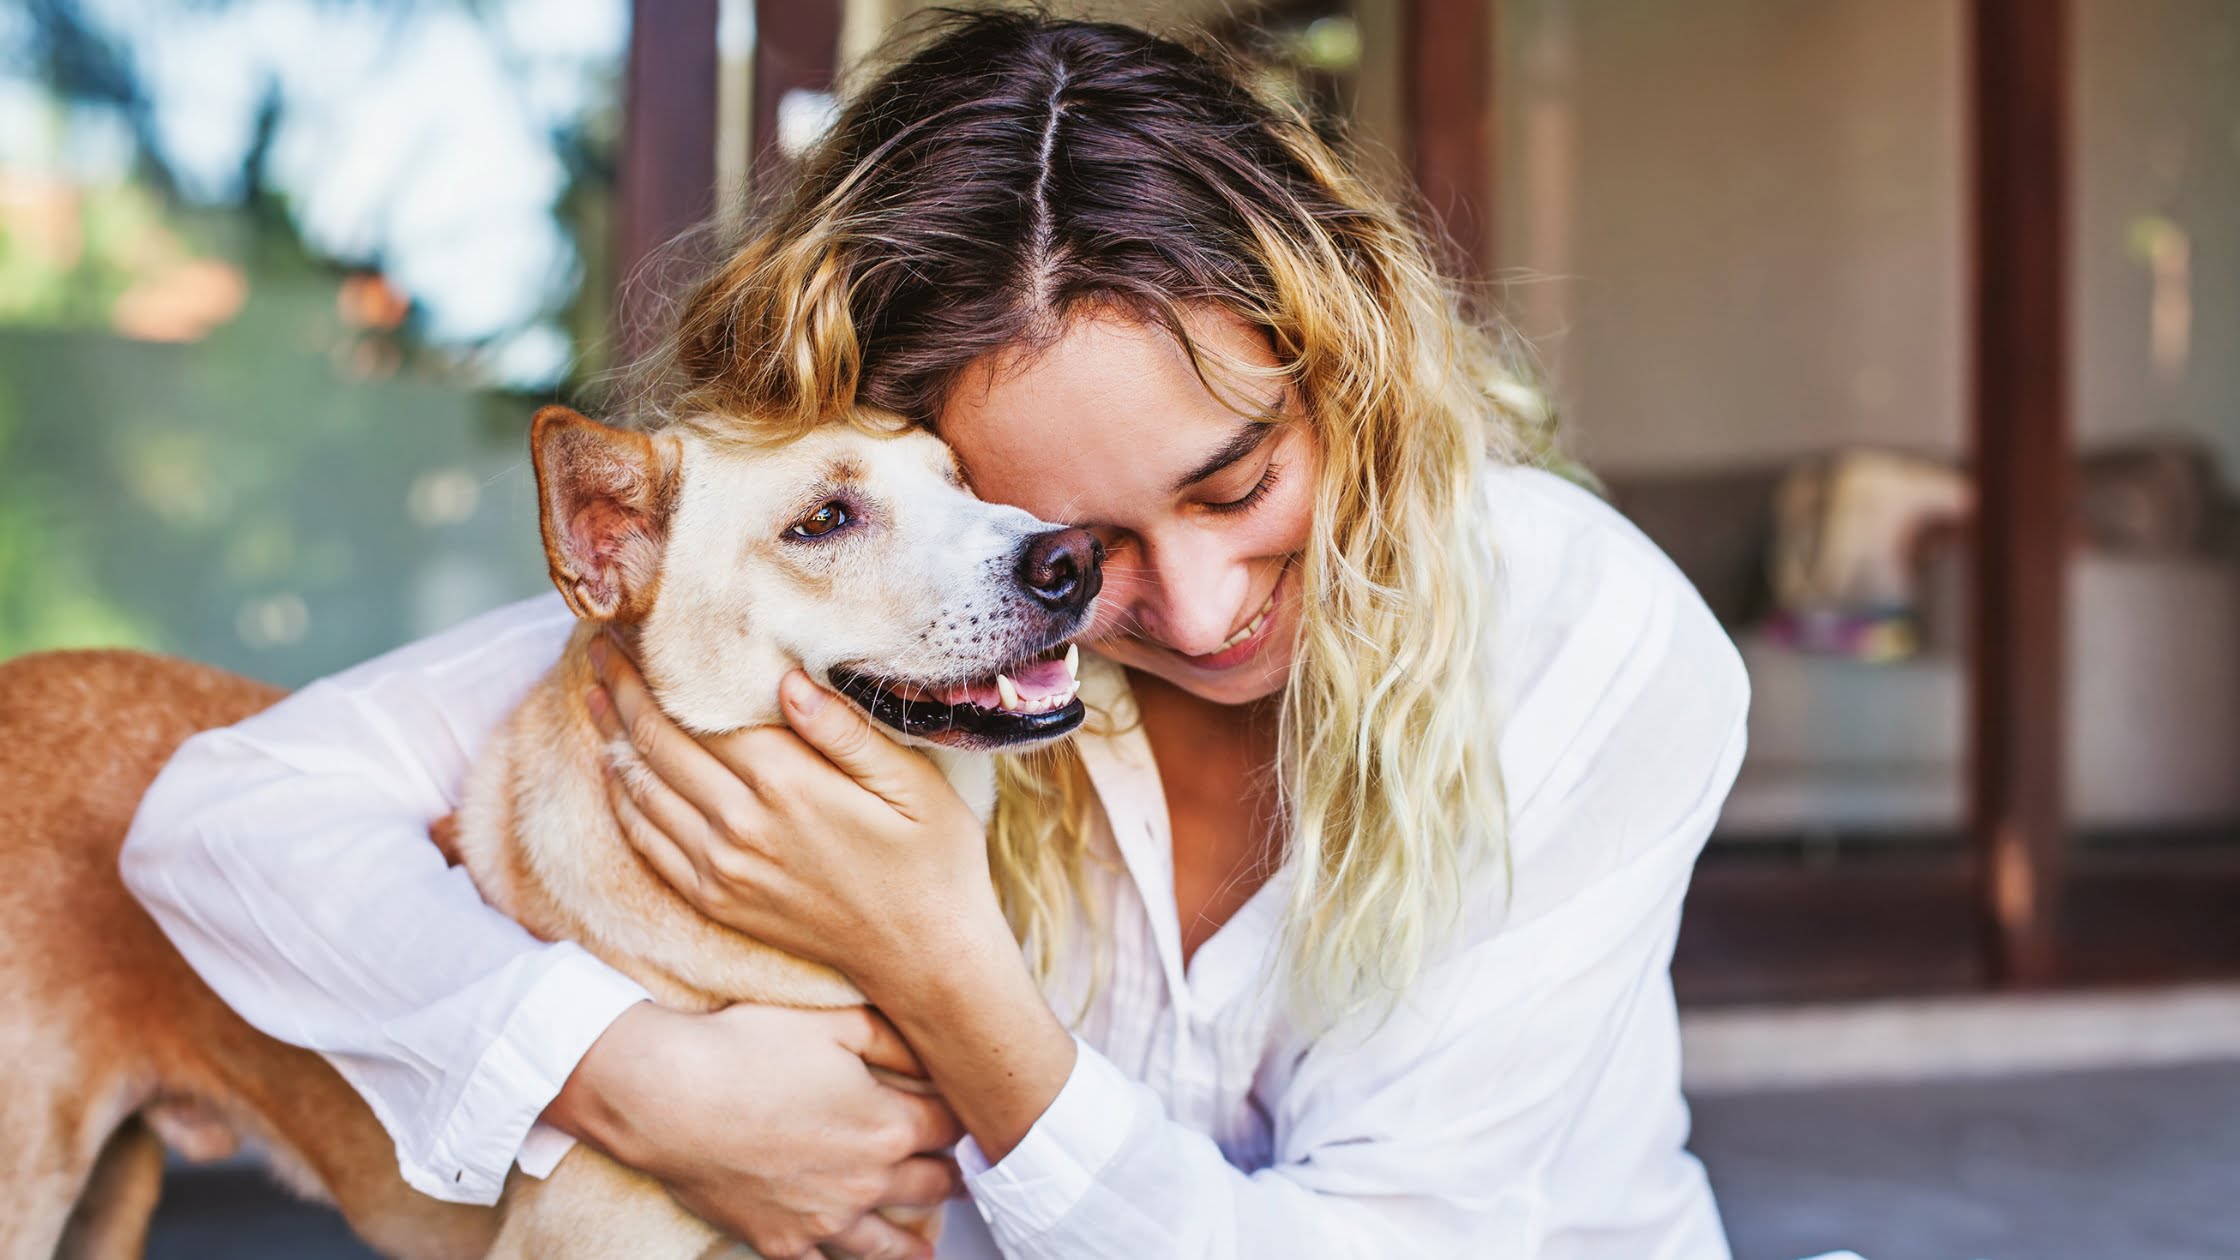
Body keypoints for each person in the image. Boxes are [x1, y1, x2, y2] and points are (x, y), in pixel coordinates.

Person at [121, 11, 1750, 1259]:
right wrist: (627, 1079)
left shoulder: (1584, 638)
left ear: (1349, 375)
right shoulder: (888, 606)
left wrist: (940, 961)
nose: (1190, 613)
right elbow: (219, 824)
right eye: (1070, 550)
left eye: (1240, 483)